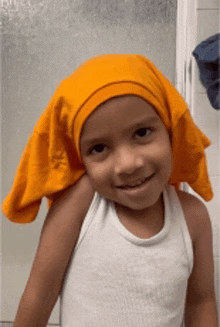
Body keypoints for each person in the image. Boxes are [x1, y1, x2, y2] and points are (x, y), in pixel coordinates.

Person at [2, 54, 218, 326]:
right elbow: (40, 294)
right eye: (99, 148)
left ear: (170, 129)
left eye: (142, 133)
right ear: (81, 157)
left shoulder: (193, 216)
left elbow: (201, 302)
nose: (127, 164)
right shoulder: (82, 202)